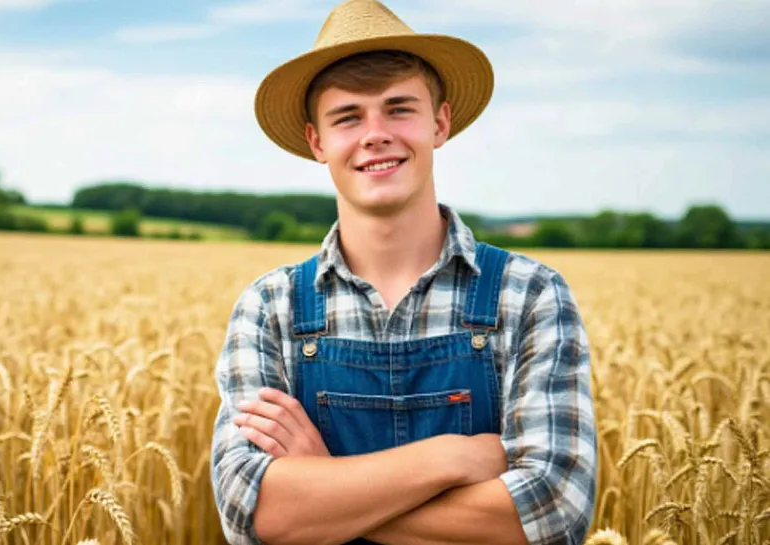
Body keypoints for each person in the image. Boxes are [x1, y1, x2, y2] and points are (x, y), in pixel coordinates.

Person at [210, 0, 597, 543]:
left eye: (398, 109)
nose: (375, 134)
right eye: (348, 117)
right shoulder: (271, 307)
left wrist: (322, 485)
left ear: (440, 123)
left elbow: (554, 512)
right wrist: (454, 457)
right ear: (317, 142)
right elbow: (252, 513)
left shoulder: (528, 294)